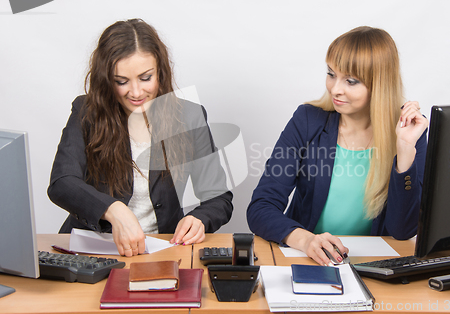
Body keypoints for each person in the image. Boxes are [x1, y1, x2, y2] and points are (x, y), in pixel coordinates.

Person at [48, 19, 233, 257]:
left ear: (161, 72)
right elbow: (61, 183)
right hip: (95, 251)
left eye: (146, 78)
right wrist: (113, 210)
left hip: (162, 251)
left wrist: (200, 218)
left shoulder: (188, 115)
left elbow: (218, 196)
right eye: (121, 82)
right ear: (107, 80)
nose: (136, 92)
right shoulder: (86, 112)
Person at [246, 26, 428, 266]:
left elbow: (403, 231)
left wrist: (405, 152)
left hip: (373, 265)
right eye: (331, 74)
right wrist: (304, 239)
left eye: (351, 81)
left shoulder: (408, 132)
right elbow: (261, 206)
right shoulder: (307, 120)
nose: (335, 89)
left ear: (379, 85)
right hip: (308, 259)